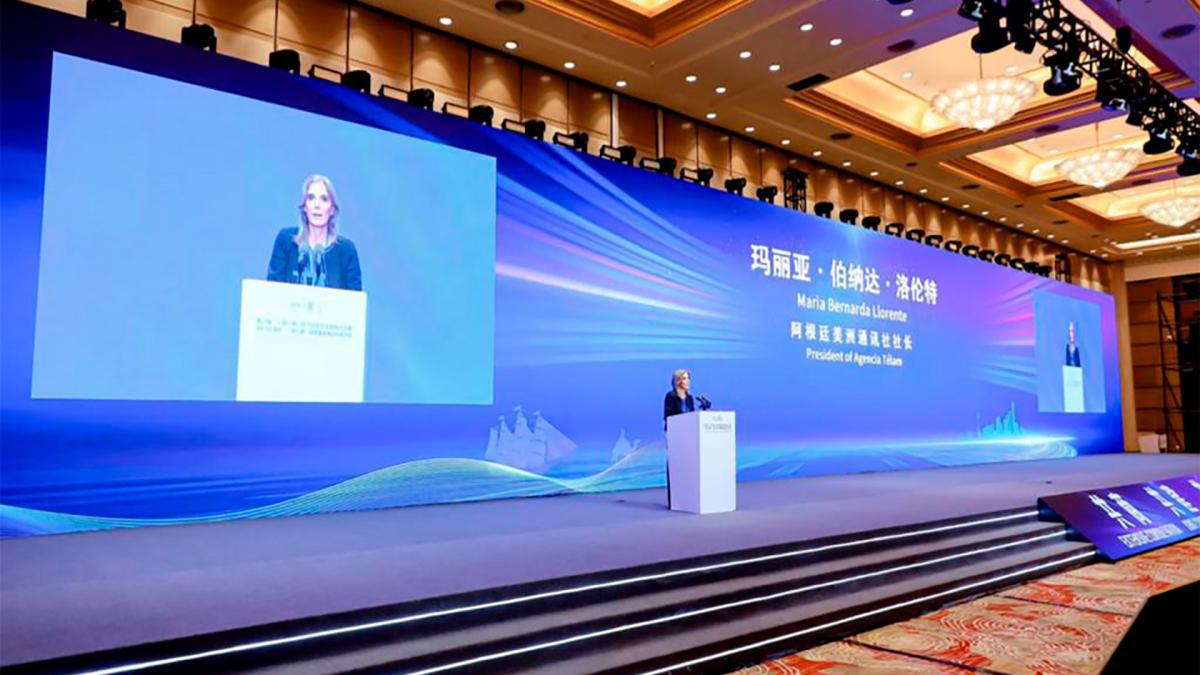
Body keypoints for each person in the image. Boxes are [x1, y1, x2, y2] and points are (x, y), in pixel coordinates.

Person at [267, 174, 362, 291]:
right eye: (311, 198)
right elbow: (272, 290)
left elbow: (354, 302)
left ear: (332, 209)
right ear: (305, 207)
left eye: (324, 199)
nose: (317, 205)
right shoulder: (286, 241)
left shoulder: (346, 251)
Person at [663, 369, 711, 508]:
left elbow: (691, 417)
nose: (687, 381)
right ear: (677, 380)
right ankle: (674, 501)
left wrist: (703, 409)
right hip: (674, 435)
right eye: (684, 378)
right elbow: (667, 416)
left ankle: (687, 499)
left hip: (688, 436)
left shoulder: (690, 398)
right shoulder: (670, 396)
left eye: (688, 378)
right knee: (674, 466)